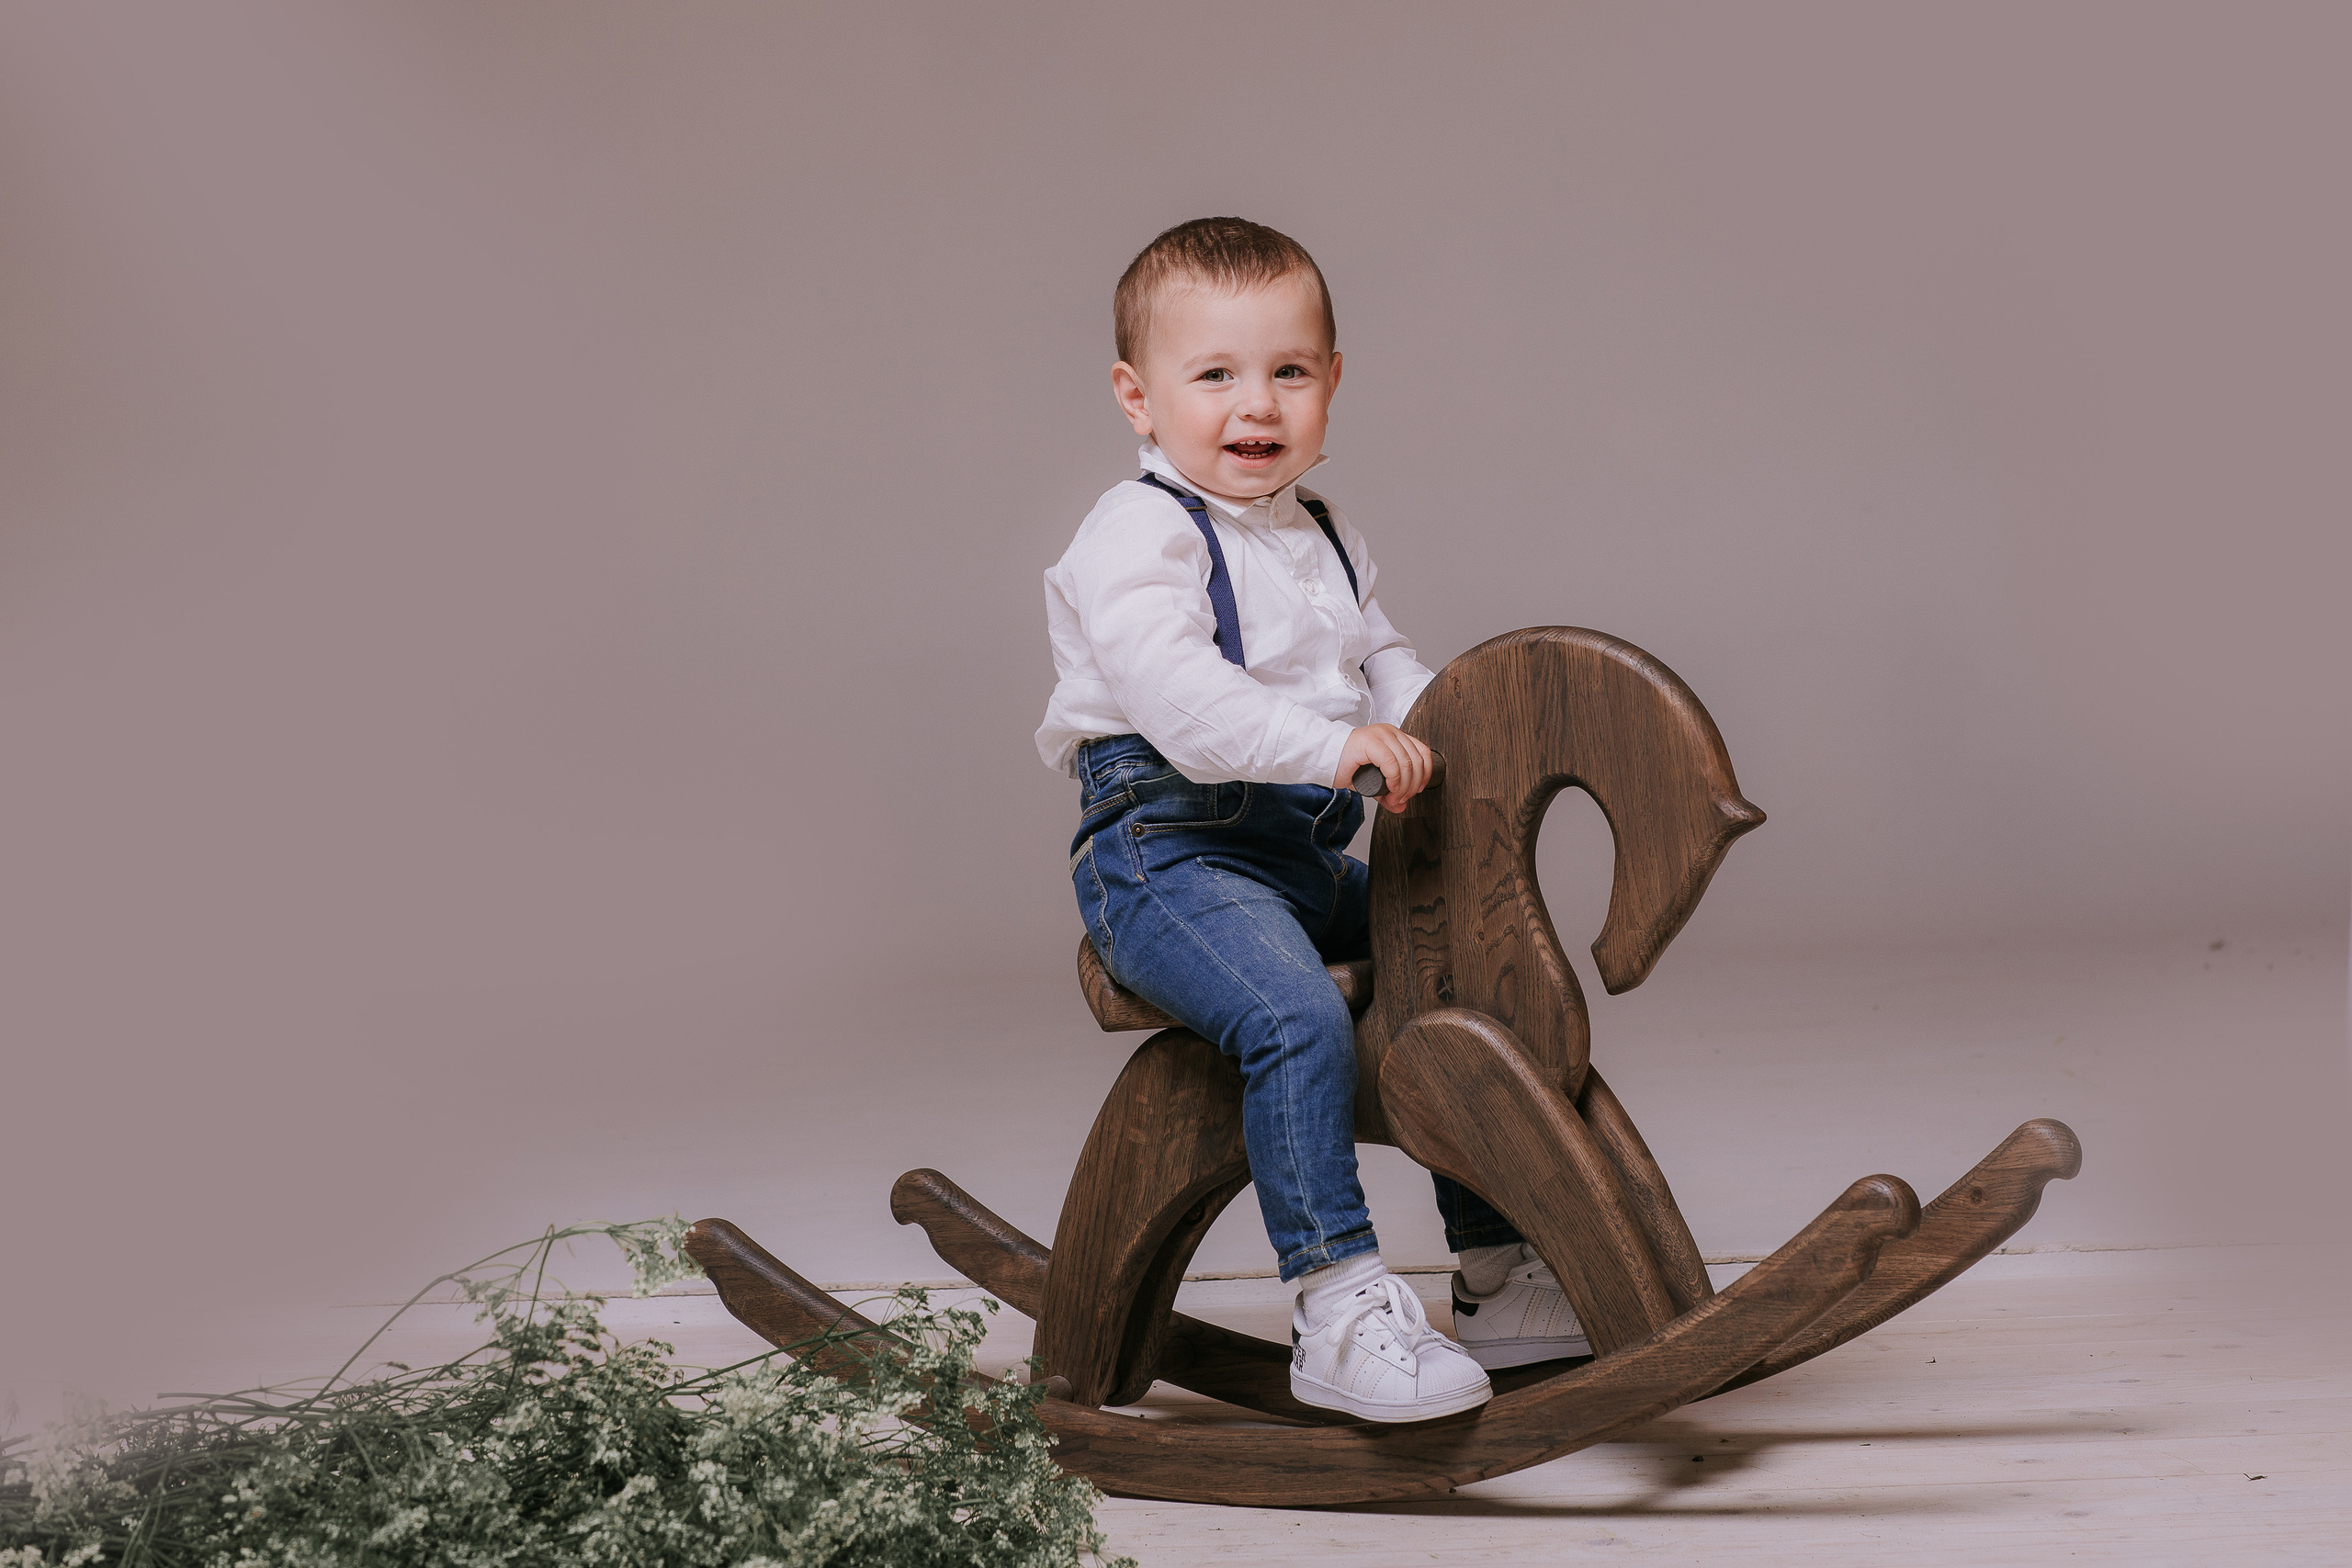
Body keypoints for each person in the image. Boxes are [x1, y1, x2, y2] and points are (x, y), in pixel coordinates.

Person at [1035, 218, 1590, 1423]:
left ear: (1333, 381)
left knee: (1455, 960)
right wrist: (1337, 750)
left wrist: (1443, 731)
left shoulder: (1322, 529)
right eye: (1215, 374)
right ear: (1138, 398)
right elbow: (1181, 701)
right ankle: (1335, 1305)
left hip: (1293, 853)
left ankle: (1498, 1267)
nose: (1257, 404)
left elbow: (1383, 661)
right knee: (1294, 1015)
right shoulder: (1137, 531)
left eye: (1289, 370)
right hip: (1167, 856)